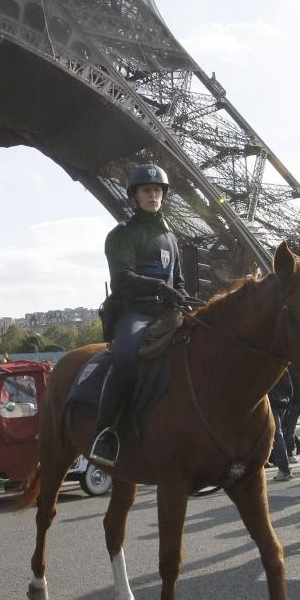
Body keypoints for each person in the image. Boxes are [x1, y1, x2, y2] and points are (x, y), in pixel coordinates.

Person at [89, 162, 195, 469]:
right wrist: (162, 288)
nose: (153, 195)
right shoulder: (121, 234)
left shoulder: (171, 238)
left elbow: (180, 283)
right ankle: (105, 432)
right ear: (134, 196)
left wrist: (183, 297)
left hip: (167, 312)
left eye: (157, 190)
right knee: (126, 359)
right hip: (134, 312)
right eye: (146, 190)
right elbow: (121, 279)